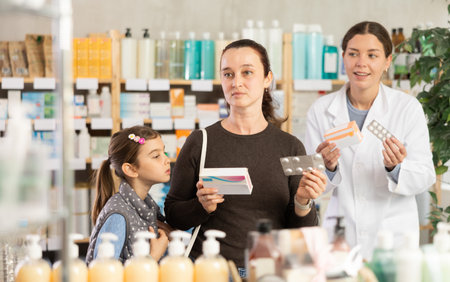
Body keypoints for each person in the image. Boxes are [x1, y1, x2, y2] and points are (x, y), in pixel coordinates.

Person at [164, 39, 327, 276]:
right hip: (211, 271)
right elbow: (173, 214)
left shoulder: (290, 146)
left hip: (270, 272)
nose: (236, 82)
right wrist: (201, 206)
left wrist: (303, 201)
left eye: (247, 72)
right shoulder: (200, 141)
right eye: (228, 74)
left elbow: (302, 231)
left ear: (267, 78)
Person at [304, 21, 436, 259]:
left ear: (387, 61)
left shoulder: (407, 108)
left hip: (393, 238)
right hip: (341, 237)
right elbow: (312, 184)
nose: (361, 63)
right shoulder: (321, 110)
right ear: (343, 57)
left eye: (372, 55)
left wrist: (395, 168)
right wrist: (329, 168)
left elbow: (425, 176)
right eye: (353, 54)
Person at [86, 126, 171, 264]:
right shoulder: (118, 216)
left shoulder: (147, 209)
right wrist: (153, 257)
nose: (167, 160)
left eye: (164, 152)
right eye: (156, 156)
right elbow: (103, 275)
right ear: (131, 169)